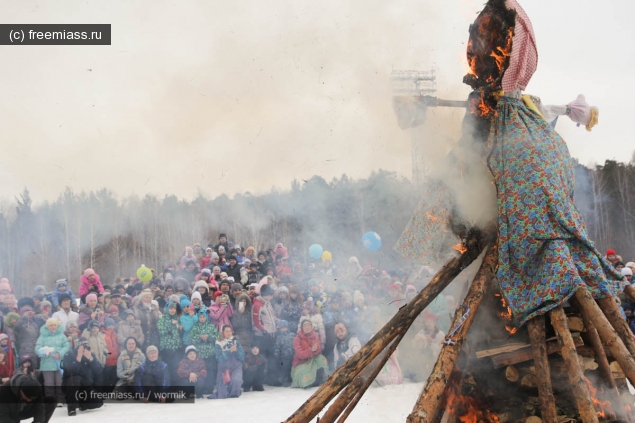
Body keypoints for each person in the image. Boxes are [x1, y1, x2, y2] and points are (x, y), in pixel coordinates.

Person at [61, 337, 104, 416]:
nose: (85, 347)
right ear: (77, 346)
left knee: (98, 403)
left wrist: (90, 359)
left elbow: (99, 370)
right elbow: (71, 371)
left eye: (86, 345)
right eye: (82, 345)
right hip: (71, 385)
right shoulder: (69, 354)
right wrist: (78, 357)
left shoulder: (90, 354)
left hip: (86, 384)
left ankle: (81, 403)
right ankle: (71, 408)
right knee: (76, 379)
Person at [35, 318, 70, 405]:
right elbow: (37, 348)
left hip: (59, 363)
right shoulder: (42, 336)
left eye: (54, 325)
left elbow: (67, 346)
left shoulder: (62, 336)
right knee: (49, 383)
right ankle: (50, 401)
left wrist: (59, 353)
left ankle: (60, 400)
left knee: (59, 382)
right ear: (47, 327)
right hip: (47, 364)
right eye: (51, 325)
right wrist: (45, 352)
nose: (53, 327)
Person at [291, 318, 328, 388]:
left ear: (311, 327)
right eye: (305, 325)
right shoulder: (297, 339)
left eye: (309, 325)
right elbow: (299, 354)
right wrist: (311, 350)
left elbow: (319, 350)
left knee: (321, 357)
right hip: (301, 363)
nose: (307, 327)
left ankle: (320, 376)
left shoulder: (315, 336)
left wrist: (315, 350)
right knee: (304, 380)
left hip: (312, 361)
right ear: (302, 328)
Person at [210, 325, 244, 399]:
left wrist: (236, 351)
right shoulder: (218, 342)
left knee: (236, 381)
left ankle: (235, 391)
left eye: (230, 331)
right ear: (223, 332)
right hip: (224, 368)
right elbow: (219, 358)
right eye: (226, 331)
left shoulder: (236, 342)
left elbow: (242, 357)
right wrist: (229, 351)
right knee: (222, 393)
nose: (229, 333)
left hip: (235, 367)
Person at [189, 310, 219, 394]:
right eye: (200, 317)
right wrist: (200, 338)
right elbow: (191, 338)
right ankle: (200, 389)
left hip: (210, 352)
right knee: (200, 370)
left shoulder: (210, 326)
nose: (202, 319)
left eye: (203, 317)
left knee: (210, 370)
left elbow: (217, 336)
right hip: (199, 353)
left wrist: (208, 337)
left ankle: (209, 388)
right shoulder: (195, 327)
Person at [157, 301, 183, 384]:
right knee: (168, 368)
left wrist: (180, 329)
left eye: (174, 308)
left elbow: (179, 334)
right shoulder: (162, 319)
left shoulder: (177, 320)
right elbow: (161, 331)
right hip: (167, 348)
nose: (173, 310)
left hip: (176, 348)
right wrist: (170, 324)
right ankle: (167, 386)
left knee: (175, 367)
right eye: (171, 308)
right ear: (167, 309)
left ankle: (175, 387)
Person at [272, 320, 295, 387]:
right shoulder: (279, 337)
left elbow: (296, 344)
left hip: (293, 355)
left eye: (285, 327)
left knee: (292, 368)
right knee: (285, 368)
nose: (283, 329)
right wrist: (276, 355)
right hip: (284, 357)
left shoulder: (292, 335)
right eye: (282, 328)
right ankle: (285, 381)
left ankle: (293, 379)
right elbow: (277, 347)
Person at [102, 318, 119, 387]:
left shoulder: (116, 335)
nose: (111, 327)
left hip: (116, 362)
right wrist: (109, 355)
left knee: (114, 379)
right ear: (105, 326)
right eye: (109, 325)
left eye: (112, 325)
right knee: (107, 381)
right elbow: (103, 348)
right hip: (107, 362)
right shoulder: (103, 335)